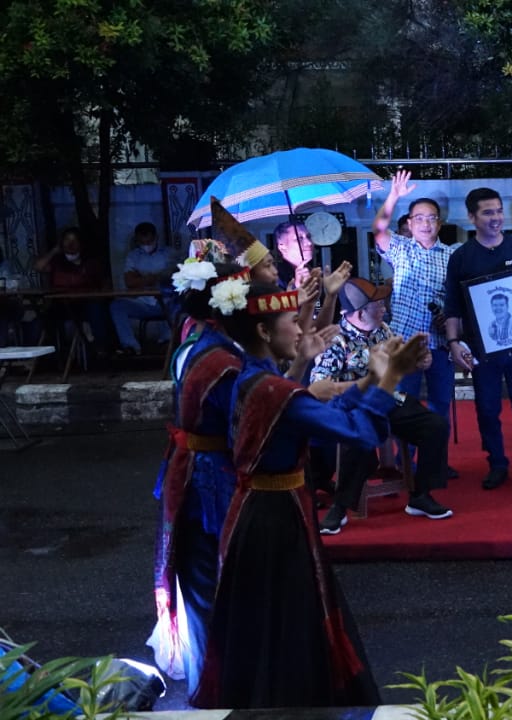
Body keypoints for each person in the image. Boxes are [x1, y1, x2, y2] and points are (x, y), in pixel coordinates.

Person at [191, 280, 425, 709]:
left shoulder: (255, 377)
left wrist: (367, 376)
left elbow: (311, 408)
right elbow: (359, 433)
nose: (301, 329)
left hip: (263, 511)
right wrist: (389, 377)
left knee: (271, 619)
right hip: (275, 521)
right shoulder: (270, 388)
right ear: (264, 331)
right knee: (289, 620)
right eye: (292, 321)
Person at [147, 261, 246, 697]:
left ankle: (212, 681)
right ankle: (214, 689)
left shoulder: (194, 336)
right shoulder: (221, 360)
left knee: (203, 584)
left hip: (190, 469)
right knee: (211, 585)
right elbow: (241, 427)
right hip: (208, 479)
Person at [309, 277, 452, 534]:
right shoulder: (335, 340)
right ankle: (340, 508)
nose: (385, 308)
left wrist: (419, 361)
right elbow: (320, 389)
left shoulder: (383, 330)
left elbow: (399, 364)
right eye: (379, 305)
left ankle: (420, 494)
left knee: (436, 425)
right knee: (359, 436)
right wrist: (365, 384)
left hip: (388, 399)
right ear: (360, 312)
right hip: (352, 406)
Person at [444, 187, 512, 492]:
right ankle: (497, 463)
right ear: (472, 217)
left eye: (499, 211)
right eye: (488, 212)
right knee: (487, 409)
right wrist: (453, 343)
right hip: (482, 349)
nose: (496, 217)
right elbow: (453, 305)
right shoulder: (461, 257)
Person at [373, 171, 459, 482]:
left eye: (431, 218)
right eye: (419, 218)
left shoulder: (453, 255)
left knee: (440, 407)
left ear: (439, 223)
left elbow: (459, 298)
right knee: (404, 407)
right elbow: (379, 229)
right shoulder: (401, 249)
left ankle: (435, 465)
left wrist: (450, 316)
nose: (425, 223)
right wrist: (393, 195)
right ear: (409, 223)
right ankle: (404, 465)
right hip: (404, 345)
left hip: (440, 343)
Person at [33, 227, 111, 355]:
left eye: (74, 240)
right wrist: (54, 251)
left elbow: (104, 282)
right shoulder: (57, 262)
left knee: (97, 310)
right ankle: (51, 353)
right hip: (61, 304)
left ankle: (100, 349)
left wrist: (101, 295)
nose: (70, 243)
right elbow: (38, 267)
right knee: (43, 319)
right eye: (67, 240)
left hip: (85, 302)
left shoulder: (90, 262)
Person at [111, 222, 177, 354]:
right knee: (117, 306)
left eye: (149, 241)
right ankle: (131, 347)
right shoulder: (133, 256)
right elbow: (129, 282)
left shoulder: (169, 254)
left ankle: (167, 342)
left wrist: (142, 277)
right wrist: (154, 277)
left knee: (177, 303)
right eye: (142, 242)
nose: (146, 245)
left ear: (156, 237)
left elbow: (175, 277)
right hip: (143, 303)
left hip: (166, 302)